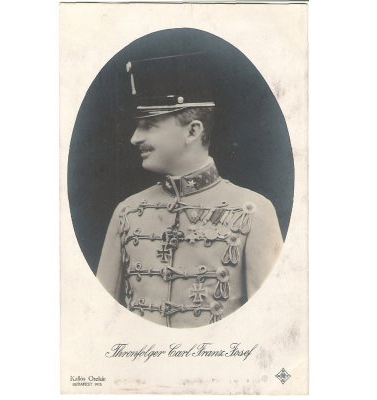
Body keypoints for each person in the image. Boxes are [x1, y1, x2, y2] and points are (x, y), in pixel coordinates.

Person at [97, 52, 283, 328]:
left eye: (148, 125)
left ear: (192, 131)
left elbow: (269, 325)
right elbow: (100, 322)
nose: (135, 137)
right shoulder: (127, 213)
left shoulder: (253, 212)